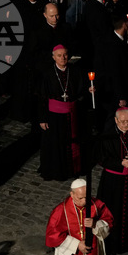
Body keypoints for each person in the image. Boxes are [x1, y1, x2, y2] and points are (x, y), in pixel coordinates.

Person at [38, 45, 91, 181]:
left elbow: (81, 91)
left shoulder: (75, 70)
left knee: (73, 142)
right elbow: (42, 97)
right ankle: (58, 172)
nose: (63, 58)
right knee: (57, 144)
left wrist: (88, 91)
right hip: (54, 115)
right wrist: (43, 118)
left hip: (72, 114)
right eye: (59, 55)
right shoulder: (47, 73)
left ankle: (73, 169)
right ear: (53, 57)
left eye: (65, 55)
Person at [96, 108, 128, 254]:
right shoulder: (107, 136)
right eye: (123, 121)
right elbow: (102, 159)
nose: (126, 124)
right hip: (112, 183)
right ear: (116, 120)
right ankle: (111, 244)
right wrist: (121, 163)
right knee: (112, 212)